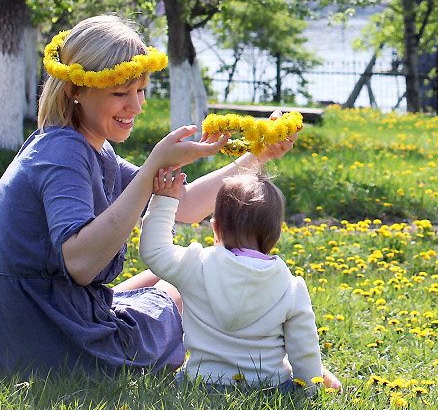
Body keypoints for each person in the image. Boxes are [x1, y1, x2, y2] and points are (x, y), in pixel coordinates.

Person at [0, 15, 296, 379]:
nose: (136, 106)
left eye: (141, 90)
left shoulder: (82, 147)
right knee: (196, 279)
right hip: (60, 350)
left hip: (33, 337)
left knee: (182, 271)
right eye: (120, 93)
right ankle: (266, 363)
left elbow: (188, 205)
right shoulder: (64, 152)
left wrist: (259, 156)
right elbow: (80, 265)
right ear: (75, 91)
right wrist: (151, 170)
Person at [140, 168, 341, 394]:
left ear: (215, 228)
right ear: (275, 236)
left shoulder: (196, 266)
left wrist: (165, 200)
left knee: (174, 380)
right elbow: (304, 350)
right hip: (268, 388)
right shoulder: (291, 288)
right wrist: (310, 390)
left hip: (199, 383)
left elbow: (154, 250)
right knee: (299, 378)